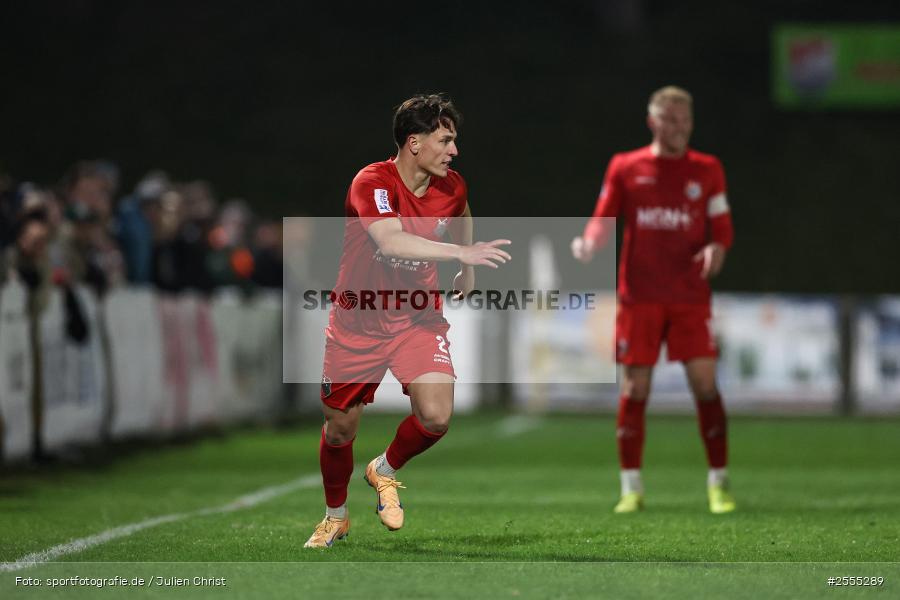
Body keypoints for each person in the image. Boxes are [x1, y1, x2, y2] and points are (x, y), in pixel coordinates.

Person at [304, 94, 511, 548]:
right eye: (445, 140)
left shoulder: (452, 185)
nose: (453, 150)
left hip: (416, 315)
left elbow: (463, 211)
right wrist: (459, 252)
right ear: (414, 143)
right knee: (340, 428)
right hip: (358, 320)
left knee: (436, 417)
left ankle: (384, 469)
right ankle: (335, 516)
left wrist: (467, 266)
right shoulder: (372, 182)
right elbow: (391, 242)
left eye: (454, 140)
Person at [571, 86, 736, 514]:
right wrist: (589, 243)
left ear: (692, 122)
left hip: (689, 298)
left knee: (704, 385)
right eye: (670, 119)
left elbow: (722, 228)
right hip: (640, 297)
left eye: (685, 120)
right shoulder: (626, 167)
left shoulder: (708, 169)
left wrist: (717, 249)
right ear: (653, 122)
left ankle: (718, 483)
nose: (678, 127)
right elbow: (603, 219)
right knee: (635, 387)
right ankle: (631, 488)